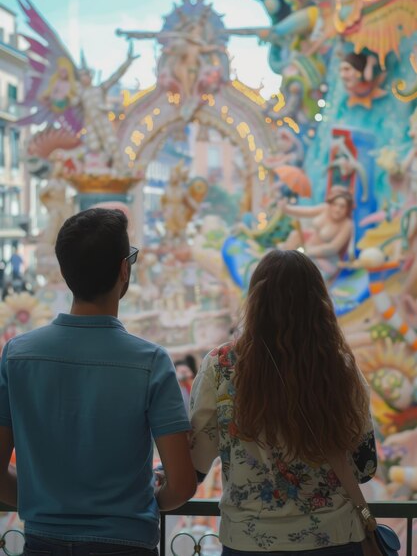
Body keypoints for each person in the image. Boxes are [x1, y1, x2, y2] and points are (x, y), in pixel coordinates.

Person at [0, 208, 196, 556]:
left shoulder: (17, 356)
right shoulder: (151, 363)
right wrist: (145, 504)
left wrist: (46, 504)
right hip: (128, 543)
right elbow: (180, 485)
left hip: (42, 543)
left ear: (65, 271)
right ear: (124, 269)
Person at [190, 249, 376, 555]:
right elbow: (365, 465)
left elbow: (198, 461)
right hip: (333, 539)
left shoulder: (221, 365)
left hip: (248, 540)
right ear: (318, 302)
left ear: (255, 301)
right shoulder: (339, 367)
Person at [279, 186, 354, 280]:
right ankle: (283, 266)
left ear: (347, 209)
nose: (337, 209)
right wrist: (287, 208)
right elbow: (305, 211)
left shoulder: (347, 224)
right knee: (295, 235)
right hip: (306, 248)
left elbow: (333, 248)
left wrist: (308, 251)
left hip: (324, 258)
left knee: (307, 274)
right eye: (335, 204)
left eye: (342, 206)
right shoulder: (325, 208)